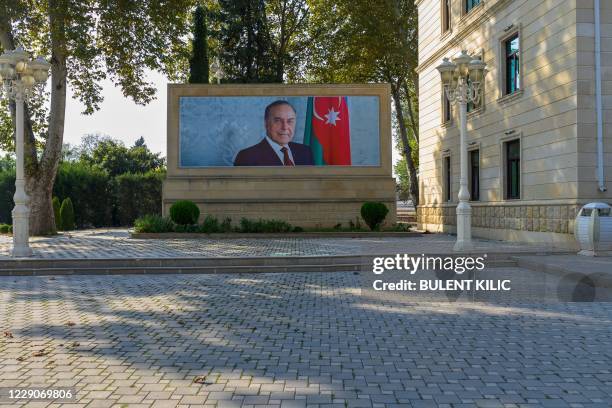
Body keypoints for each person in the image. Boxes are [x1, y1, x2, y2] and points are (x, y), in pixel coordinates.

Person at [234, 100, 314, 166]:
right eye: (278, 121)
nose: (285, 127)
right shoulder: (247, 157)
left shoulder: (305, 151)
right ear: (266, 123)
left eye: (290, 121)